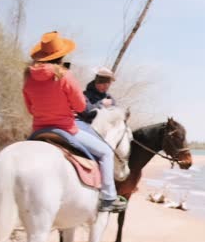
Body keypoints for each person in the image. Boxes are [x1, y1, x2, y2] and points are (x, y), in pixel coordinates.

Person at [22, 31, 127, 212]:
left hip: (38, 130)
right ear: (60, 56)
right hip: (66, 129)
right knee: (106, 153)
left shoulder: (28, 78)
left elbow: (30, 108)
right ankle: (109, 197)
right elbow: (80, 106)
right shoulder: (64, 75)